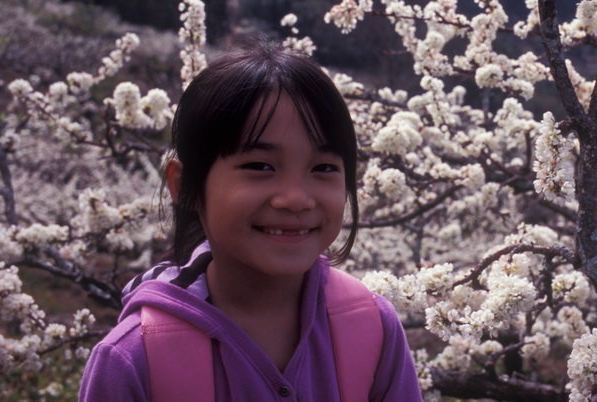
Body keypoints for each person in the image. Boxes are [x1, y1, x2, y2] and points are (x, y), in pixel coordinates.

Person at [79, 41, 422, 400]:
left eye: (323, 168)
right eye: (260, 166)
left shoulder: (371, 327)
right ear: (184, 186)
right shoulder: (133, 361)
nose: (295, 199)